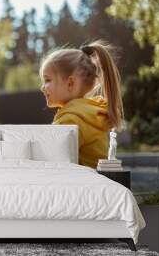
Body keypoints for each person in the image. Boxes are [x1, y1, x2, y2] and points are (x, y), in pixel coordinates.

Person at [39, 40, 124, 169]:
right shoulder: (90, 113)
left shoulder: (71, 121)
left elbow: (48, 159)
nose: (42, 88)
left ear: (70, 83)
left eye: (47, 80)